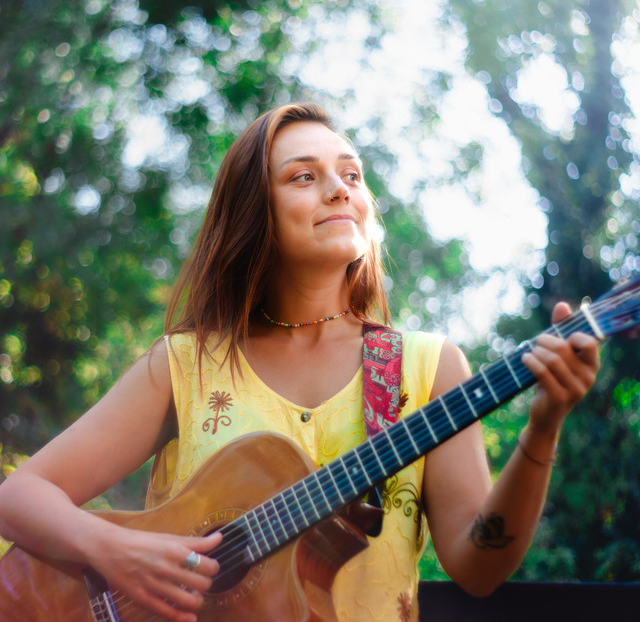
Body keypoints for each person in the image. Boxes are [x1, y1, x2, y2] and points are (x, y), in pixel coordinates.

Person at [0, 103, 600, 622]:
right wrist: (113, 552)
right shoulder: (186, 365)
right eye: (304, 176)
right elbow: (19, 496)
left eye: (351, 174)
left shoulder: (428, 365)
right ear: (254, 211)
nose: (340, 189)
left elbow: (478, 568)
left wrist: (543, 426)